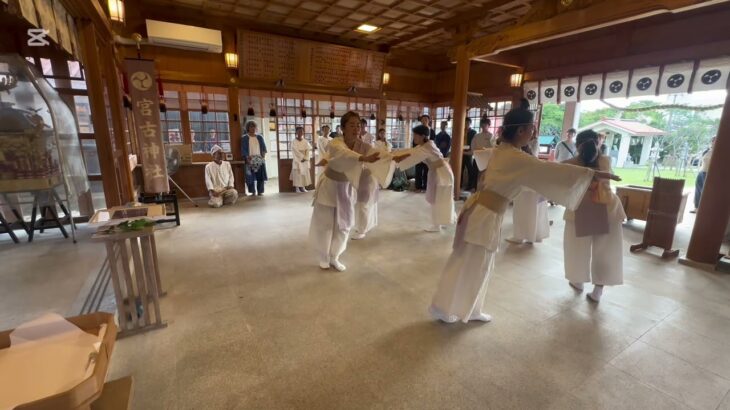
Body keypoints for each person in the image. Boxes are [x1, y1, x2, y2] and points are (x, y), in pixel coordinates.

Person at [428, 100, 619, 324]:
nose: (533, 133)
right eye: (531, 129)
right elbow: (549, 170)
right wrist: (591, 174)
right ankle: (454, 308)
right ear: (520, 130)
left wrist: (588, 173)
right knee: (475, 262)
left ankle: (455, 307)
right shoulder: (515, 157)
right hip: (485, 215)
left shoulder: (503, 150)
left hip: (481, 211)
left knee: (468, 260)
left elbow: (542, 169)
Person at [309, 111, 392, 271]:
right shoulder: (335, 143)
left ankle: (335, 256)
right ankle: (324, 256)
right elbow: (343, 154)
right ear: (343, 128)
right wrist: (362, 158)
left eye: (358, 126)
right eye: (352, 125)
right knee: (326, 223)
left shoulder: (363, 146)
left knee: (344, 224)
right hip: (330, 186)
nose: (356, 129)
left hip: (346, 187)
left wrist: (393, 157)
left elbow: (379, 154)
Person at [562, 130, 625, 302]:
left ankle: (578, 281)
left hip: (579, 209)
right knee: (606, 251)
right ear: (598, 143)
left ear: (577, 145)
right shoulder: (606, 160)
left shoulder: (570, 163)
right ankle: (598, 291)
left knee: (576, 249)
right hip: (608, 209)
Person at [394, 125, 455, 232]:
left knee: (440, 199)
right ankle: (440, 222)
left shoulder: (428, 146)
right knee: (436, 198)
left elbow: (413, 155)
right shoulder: (424, 146)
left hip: (442, 173)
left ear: (422, 136)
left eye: (415, 135)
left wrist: (399, 158)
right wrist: (395, 155)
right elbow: (411, 151)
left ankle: (438, 224)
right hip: (436, 172)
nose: (414, 137)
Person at [506, 134, 550, 244]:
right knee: (533, 213)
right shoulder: (532, 159)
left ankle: (520, 236)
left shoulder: (522, 159)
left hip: (525, 190)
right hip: (534, 189)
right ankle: (533, 236)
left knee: (522, 212)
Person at [241, 120, 268, 196]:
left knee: (260, 176)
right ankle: (252, 191)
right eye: (251, 126)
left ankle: (260, 191)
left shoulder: (260, 137)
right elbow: (243, 149)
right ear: (248, 128)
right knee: (250, 176)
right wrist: (247, 158)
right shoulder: (244, 138)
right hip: (249, 159)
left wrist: (263, 158)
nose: (253, 128)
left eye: (254, 126)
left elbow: (263, 149)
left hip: (259, 158)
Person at [414, 115, 437, 192]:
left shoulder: (432, 131)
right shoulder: (418, 130)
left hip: (429, 154)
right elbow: (414, 142)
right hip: (419, 152)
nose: (424, 121)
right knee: (418, 170)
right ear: (421, 121)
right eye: (423, 119)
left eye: (426, 119)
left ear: (429, 121)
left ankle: (425, 187)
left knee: (427, 171)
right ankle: (418, 187)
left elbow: (433, 142)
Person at [692, 137, 715, 213]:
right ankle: (696, 208)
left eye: (714, 140)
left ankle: (704, 209)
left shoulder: (719, 152)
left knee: (705, 192)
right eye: (712, 140)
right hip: (702, 172)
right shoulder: (707, 150)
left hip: (709, 174)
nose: (713, 142)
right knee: (698, 190)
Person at [291, 126, 312, 193]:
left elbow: (308, 150)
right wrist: (301, 158)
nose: (301, 132)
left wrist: (305, 158)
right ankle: (297, 188)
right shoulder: (294, 141)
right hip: (297, 160)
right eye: (299, 131)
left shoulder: (305, 141)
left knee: (304, 174)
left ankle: (303, 187)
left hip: (304, 160)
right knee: (297, 174)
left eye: (302, 131)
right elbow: (295, 151)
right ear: (296, 132)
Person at [461, 117, 479, 192]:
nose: (466, 124)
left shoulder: (473, 132)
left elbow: (474, 143)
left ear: (470, 124)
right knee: (460, 169)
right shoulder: (461, 130)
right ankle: (459, 184)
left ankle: (470, 186)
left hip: (469, 152)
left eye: (467, 123)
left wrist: (471, 151)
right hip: (460, 152)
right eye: (465, 123)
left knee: (470, 169)